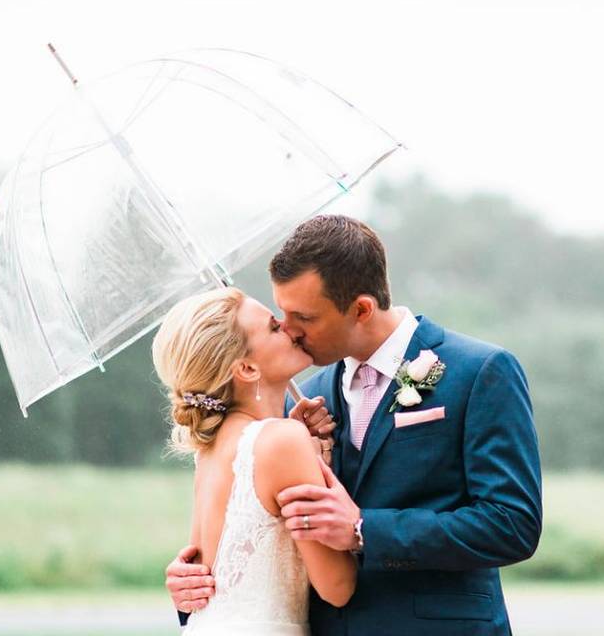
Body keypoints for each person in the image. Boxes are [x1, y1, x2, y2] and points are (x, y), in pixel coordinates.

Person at [166, 215, 543, 635]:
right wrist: (198, 587)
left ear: (361, 308)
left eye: (303, 317)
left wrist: (365, 530)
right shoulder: (306, 398)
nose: (289, 330)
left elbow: (512, 524)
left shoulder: (479, 372)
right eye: (281, 315)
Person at [152, 287, 356, 634]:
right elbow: (337, 588)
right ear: (246, 368)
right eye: (274, 328)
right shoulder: (282, 441)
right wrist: (356, 525)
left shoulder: (212, 449)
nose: (289, 328)